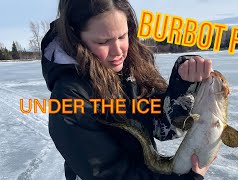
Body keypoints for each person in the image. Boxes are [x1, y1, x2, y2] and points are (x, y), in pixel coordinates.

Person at [41, 0, 214, 179]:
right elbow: (108, 174)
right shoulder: (69, 96)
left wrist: (183, 84)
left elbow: (163, 127)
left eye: (122, 36)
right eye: (104, 41)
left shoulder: (132, 67)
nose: (118, 51)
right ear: (76, 38)